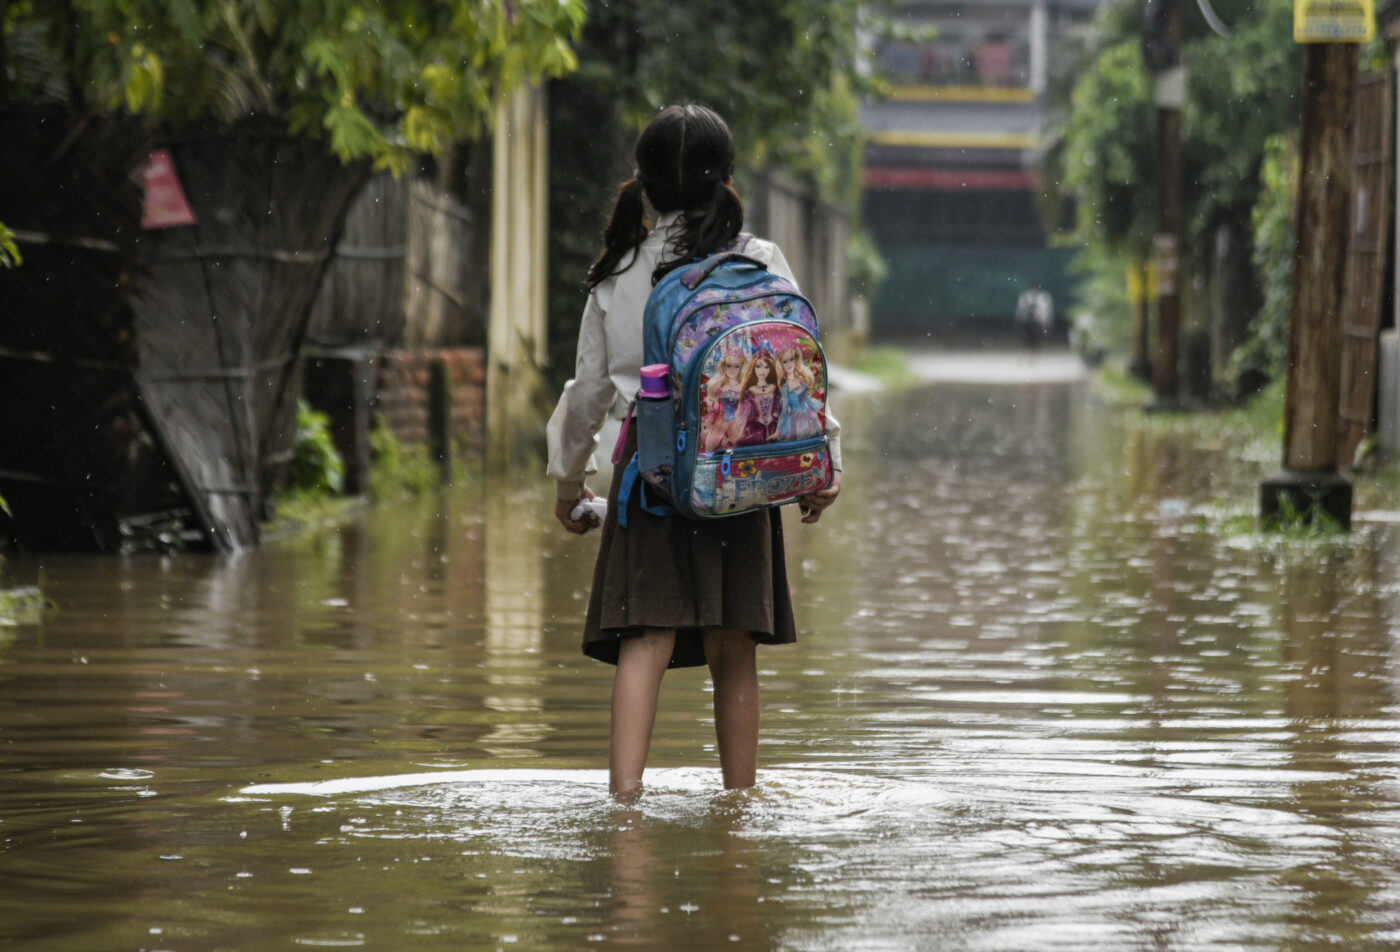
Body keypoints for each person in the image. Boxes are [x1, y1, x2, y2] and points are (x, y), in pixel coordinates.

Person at [545, 104, 843, 798]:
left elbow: (588, 392)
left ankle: (624, 808)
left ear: (643, 185)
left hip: (649, 477)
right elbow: (798, 372)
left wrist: (567, 487)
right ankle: (741, 808)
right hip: (739, 473)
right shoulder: (759, 260)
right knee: (734, 648)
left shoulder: (619, 273)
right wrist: (823, 464)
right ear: (726, 179)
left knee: (643, 641)